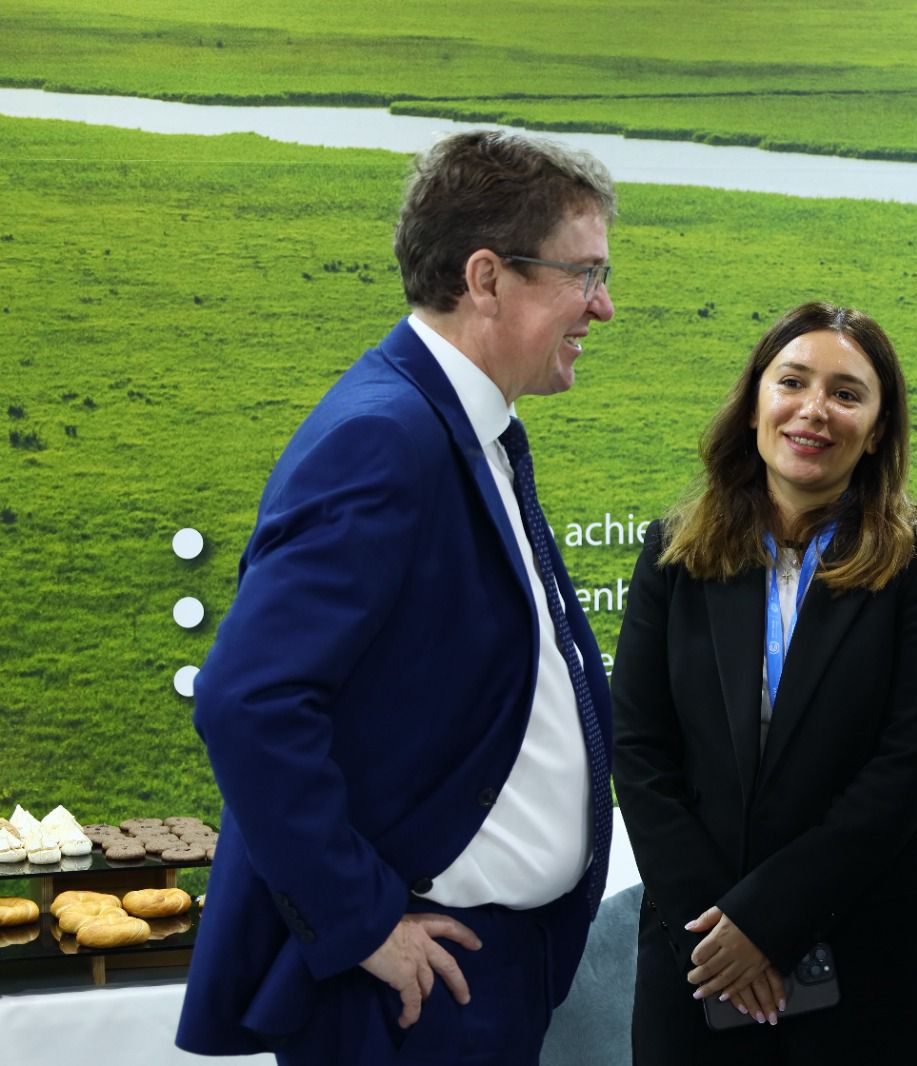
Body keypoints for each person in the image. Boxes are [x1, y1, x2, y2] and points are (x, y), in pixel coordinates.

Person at [176, 129, 618, 1066]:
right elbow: (247, 700)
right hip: (415, 991)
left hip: (487, 971)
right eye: (584, 274)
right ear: (486, 278)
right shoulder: (383, 439)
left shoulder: (460, 421)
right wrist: (362, 921)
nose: (603, 305)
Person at [611, 301, 917, 1064]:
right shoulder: (674, 553)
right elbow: (639, 750)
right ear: (753, 405)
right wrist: (717, 930)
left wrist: (767, 923)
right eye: (793, 382)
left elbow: (905, 769)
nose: (814, 409)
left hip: (864, 955)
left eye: (846, 393)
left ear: (877, 429)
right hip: (698, 953)